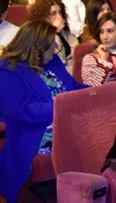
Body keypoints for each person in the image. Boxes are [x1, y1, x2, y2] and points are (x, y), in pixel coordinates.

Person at [0, 21, 87, 203]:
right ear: (36, 47)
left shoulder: (52, 61)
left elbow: (73, 86)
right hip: (37, 134)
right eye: (51, 44)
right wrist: (62, 105)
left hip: (70, 122)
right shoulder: (8, 71)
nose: (56, 46)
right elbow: (21, 111)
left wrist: (99, 92)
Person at [28, 0, 79, 66]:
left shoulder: (68, 35)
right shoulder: (36, 37)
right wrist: (54, 33)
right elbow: (60, 61)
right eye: (53, 13)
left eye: (60, 12)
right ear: (42, 17)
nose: (59, 16)